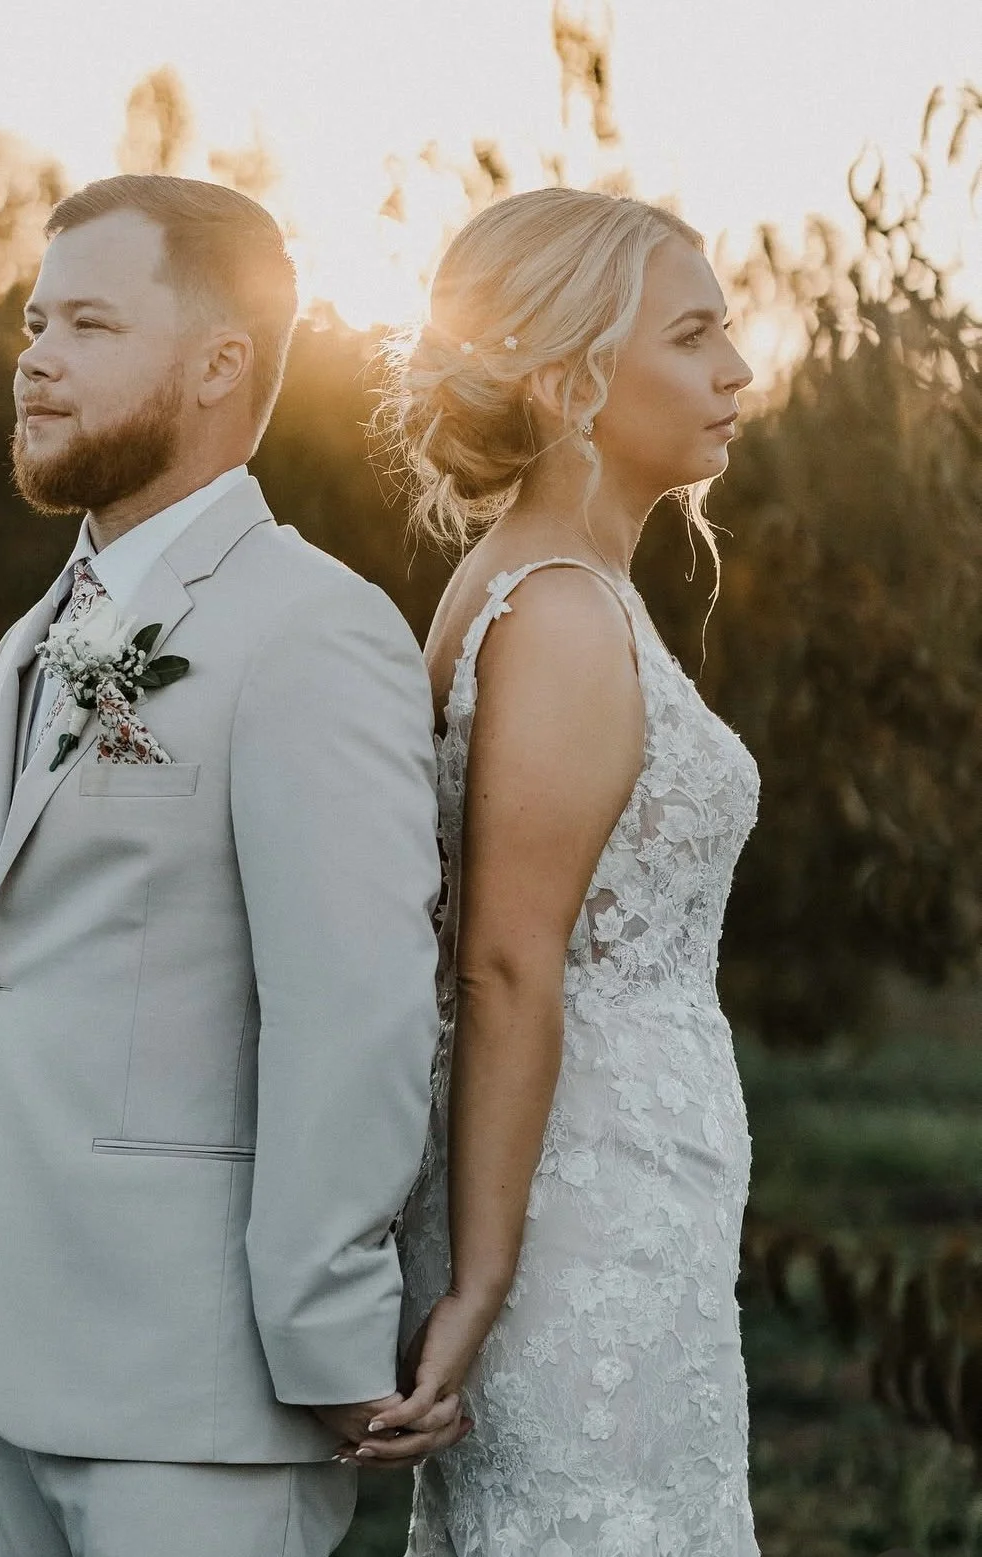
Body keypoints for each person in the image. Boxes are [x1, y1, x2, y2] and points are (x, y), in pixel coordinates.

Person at [0, 173, 464, 1557]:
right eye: (34, 320)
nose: (33, 355)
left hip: (196, 1390)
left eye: (87, 324)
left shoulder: (310, 633)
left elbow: (356, 1008)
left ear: (221, 361)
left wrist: (331, 1335)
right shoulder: (42, 630)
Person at [360, 188, 762, 1554]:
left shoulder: (534, 580)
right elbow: (502, 959)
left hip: (621, 1200)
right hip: (565, 1220)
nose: (734, 371)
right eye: (693, 336)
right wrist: (477, 1283)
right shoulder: (563, 613)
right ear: (567, 377)